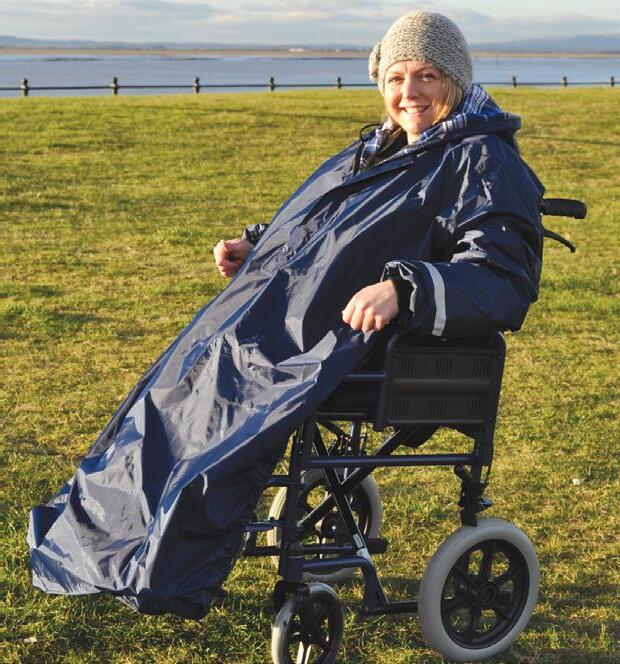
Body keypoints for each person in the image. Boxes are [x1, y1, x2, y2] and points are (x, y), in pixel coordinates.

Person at [28, 11, 543, 620]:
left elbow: (502, 277)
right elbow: (323, 229)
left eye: (427, 76)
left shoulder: (480, 160)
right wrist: (257, 245)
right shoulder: (379, 148)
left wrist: (407, 290)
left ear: (455, 80)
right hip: (277, 321)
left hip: (341, 343)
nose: (410, 93)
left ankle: (156, 563)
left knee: (217, 415)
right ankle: (104, 541)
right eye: (397, 77)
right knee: (169, 396)